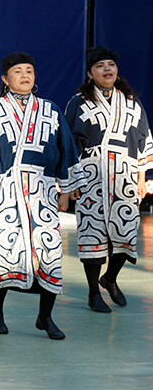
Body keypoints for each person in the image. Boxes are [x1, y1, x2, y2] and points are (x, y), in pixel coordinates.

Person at [0, 51, 86, 340]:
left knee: (49, 251)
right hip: (6, 190)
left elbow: (65, 147)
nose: (25, 75)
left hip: (42, 191)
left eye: (29, 70)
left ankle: (45, 317)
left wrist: (65, 190)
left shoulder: (50, 110)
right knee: (3, 249)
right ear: (5, 79)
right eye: (18, 71)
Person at [63, 46, 153, 313]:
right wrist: (71, 183)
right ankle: (93, 294)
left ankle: (110, 278)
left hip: (125, 176)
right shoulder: (78, 102)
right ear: (90, 73)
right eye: (100, 66)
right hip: (92, 176)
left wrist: (141, 178)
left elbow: (143, 140)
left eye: (110, 65)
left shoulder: (131, 103)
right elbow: (68, 144)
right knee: (92, 235)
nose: (107, 69)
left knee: (126, 235)